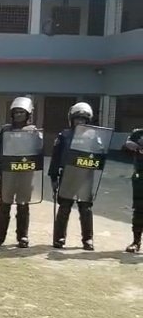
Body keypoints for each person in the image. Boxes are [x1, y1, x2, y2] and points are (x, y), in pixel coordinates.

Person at [0, 97, 42, 248]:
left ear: (28, 114)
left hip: (25, 172)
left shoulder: (34, 132)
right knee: (4, 204)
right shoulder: (5, 130)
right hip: (8, 172)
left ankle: (23, 236)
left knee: (23, 205)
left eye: (22, 112)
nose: (18, 115)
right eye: (16, 112)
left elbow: (38, 153)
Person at [49, 102, 101, 251]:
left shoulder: (93, 136)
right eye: (77, 119)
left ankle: (88, 239)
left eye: (83, 119)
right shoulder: (64, 135)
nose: (80, 122)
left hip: (85, 175)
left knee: (85, 209)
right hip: (68, 175)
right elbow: (56, 157)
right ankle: (59, 238)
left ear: (88, 121)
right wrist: (53, 177)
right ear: (71, 119)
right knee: (64, 207)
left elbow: (99, 155)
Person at [123, 128, 143, 253]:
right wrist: (133, 146)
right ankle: (136, 242)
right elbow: (124, 150)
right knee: (139, 209)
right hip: (140, 177)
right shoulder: (138, 134)